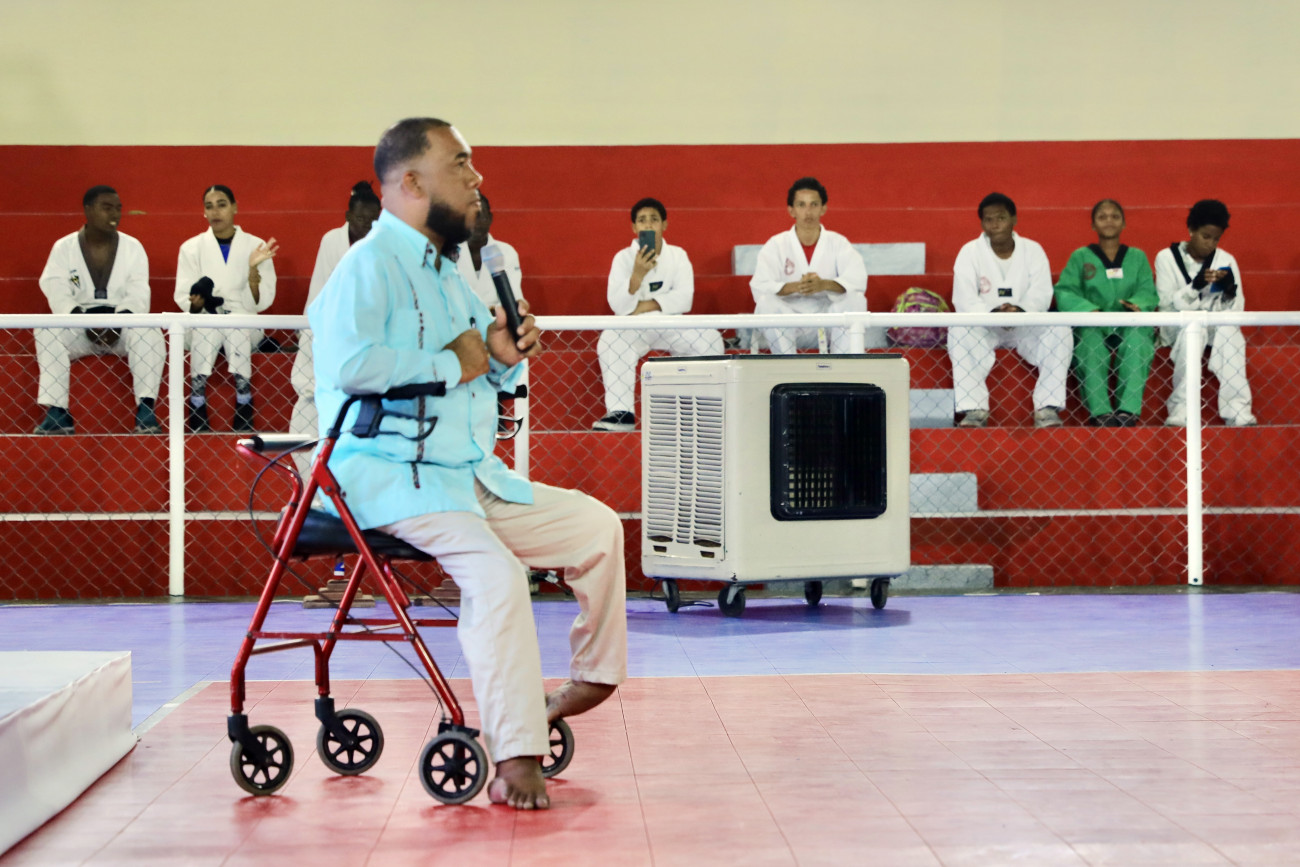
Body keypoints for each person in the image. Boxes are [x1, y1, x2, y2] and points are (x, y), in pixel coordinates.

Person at [308, 117, 627, 810]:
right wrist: (454, 361)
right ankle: (514, 755)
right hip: (391, 478)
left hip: (463, 474)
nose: (477, 178)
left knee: (597, 527)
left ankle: (590, 679)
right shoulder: (367, 264)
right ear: (412, 182)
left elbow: (480, 366)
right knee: (498, 576)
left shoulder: (449, 273)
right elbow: (349, 365)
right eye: (461, 164)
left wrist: (503, 358)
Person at [34, 185, 165, 434]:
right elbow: (55, 288)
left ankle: (146, 409)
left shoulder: (132, 247)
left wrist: (118, 322)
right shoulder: (64, 248)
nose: (114, 214)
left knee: (150, 332)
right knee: (46, 330)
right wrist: (82, 320)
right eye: (106, 208)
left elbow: (138, 291)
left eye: (118, 208)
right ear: (88, 210)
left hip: (121, 324)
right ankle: (58, 411)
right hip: (78, 324)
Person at [592, 197, 723, 431]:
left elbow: (684, 299)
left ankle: (705, 410)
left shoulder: (678, 255)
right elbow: (618, 306)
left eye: (654, 219)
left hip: (672, 322)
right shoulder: (623, 258)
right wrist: (637, 275)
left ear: (664, 225)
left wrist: (641, 306)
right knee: (610, 339)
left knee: (710, 337)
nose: (648, 224)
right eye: (642, 220)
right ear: (634, 227)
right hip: (634, 327)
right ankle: (621, 413)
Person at [948, 192, 1073, 428]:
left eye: (1001, 218)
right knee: (958, 330)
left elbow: (1042, 292)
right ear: (982, 223)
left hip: (1025, 324)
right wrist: (993, 314)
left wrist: (1020, 310)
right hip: (985, 326)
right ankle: (974, 409)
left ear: (1014, 219)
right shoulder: (969, 252)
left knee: (1060, 328)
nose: (995, 224)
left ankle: (1047, 407)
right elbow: (964, 298)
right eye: (989, 219)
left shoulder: (1033, 250)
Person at [174, 184, 278, 433]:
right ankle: (197, 402)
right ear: (204, 212)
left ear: (234, 207)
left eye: (221, 205)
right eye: (209, 207)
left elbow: (261, 301)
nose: (215, 212)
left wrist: (252, 272)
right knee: (206, 328)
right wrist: (196, 303)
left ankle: (244, 401)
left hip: (245, 321)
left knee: (237, 326)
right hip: (204, 320)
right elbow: (184, 295)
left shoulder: (256, 246)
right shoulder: (191, 247)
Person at [289, 181, 381, 451]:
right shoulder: (332, 240)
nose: (367, 226)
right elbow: (323, 287)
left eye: (374, 220)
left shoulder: (382, 245)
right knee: (310, 385)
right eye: (361, 219)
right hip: (327, 318)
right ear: (348, 216)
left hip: (365, 329)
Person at [1054, 199, 1158, 426]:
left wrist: (1137, 303)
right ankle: (1100, 411)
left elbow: (1147, 290)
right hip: (1094, 324)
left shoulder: (1137, 257)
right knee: (1090, 344)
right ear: (1093, 224)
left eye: (1115, 216)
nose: (1109, 221)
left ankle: (1128, 410)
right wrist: (1088, 309)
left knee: (1138, 340)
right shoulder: (1080, 256)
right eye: (1102, 217)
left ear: (1124, 223)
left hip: (1129, 322)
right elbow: (1065, 291)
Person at [1154, 199, 1255, 427]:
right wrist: (1195, 287)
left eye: (1216, 239)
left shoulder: (1226, 260)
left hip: (1215, 326)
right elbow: (1167, 305)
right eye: (1205, 236)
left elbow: (1236, 311)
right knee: (1194, 331)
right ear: (1191, 230)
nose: (1210, 244)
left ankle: (1238, 411)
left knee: (1231, 333)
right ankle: (1181, 409)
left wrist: (1228, 293)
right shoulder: (1166, 258)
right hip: (1177, 328)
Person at [749, 177, 866, 355]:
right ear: (791, 210)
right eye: (801, 205)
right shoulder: (776, 245)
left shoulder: (839, 243)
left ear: (823, 208)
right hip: (790, 323)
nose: (808, 212)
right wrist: (796, 287)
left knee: (855, 299)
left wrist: (824, 284)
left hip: (828, 322)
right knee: (766, 303)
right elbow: (760, 285)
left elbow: (857, 281)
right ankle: (786, 363)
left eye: (814, 204)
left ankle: (843, 364)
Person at [455, 192, 522, 309]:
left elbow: (514, 296)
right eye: (472, 215)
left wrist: (498, 310)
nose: (477, 222)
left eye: (481, 215)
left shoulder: (506, 252)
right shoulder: (449, 251)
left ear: (490, 218)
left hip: (496, 317)